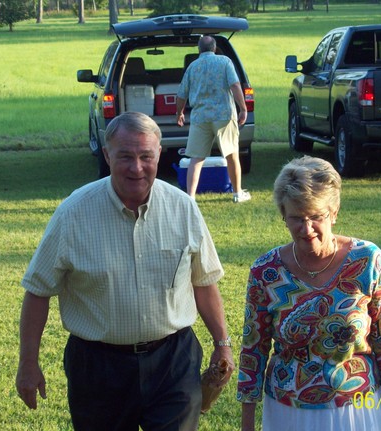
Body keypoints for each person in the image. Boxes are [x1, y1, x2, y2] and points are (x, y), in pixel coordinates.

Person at [15, 111, 235, 431]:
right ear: (107, 155)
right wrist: (28, 363)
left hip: (173, 361)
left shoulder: (183, 208)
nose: (137, 167)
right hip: (98, 368)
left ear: (159, 153)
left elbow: (203, 282)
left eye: (146, 156)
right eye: (125, 157)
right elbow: (38, 291)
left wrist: (222, 343)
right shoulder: (73, 214)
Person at [237, 156, 381, 431]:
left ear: (334, 212)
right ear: (283, 216)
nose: (306, 229)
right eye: (296, 218)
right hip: (288, 413)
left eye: (316, 216)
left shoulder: (367, 260)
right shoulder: (266, 271)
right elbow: (253, 349)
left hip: (357, 409)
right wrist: (247, 425)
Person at [176, 35, 251, 203]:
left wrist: (179, 113)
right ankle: (237, 193)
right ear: (215, 48)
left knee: (196, 158)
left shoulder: (192, 67)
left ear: (199, 49)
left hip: (200, 117)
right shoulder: (225, 62)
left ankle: (190, 198)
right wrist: (243, 108)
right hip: (223, 115)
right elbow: (235, 85)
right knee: (231, 154)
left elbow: (181, 94)